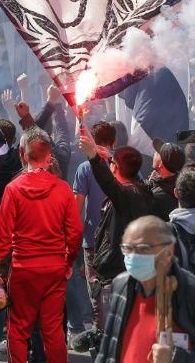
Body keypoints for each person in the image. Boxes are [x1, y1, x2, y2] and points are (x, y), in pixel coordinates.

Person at [0, 127, 83, 363]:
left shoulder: (14, 189)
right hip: (54, 269)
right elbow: (76, 231)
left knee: (18, 331)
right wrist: (68, 260)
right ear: (49, 157)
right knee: (53, 331)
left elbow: (2, 234)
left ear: (22, 154)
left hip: (24, 270)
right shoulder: (62, 189)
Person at [79, 129, 153, 332]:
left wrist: (94, 158)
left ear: (118, 168)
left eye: (112, 164)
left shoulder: (128, 194)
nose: (109, 166)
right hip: (126, 274)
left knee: (113, 334)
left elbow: (108, 183)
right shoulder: (141, 189)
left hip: (118, 277)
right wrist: (109, 157)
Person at [95, 216, 195, 363]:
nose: (133, 256)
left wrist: (177, 358)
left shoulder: (189, 292)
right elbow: (107, 350)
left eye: (143, 249)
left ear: (168, 251)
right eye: (127, 248)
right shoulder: (121, 285)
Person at [73, 120, 117, 337]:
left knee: (98, 299)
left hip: (93, 243)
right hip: (118, 242)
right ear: (114, 141)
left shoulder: (85, 168)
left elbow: (76, 209)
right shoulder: (121, 163)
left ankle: (102, 344)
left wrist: (73, 240)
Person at [148, 140, 184, 221]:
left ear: (161, 163)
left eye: (157, 153)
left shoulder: (156, 197)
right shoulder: (184, 186)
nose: (154, 154)